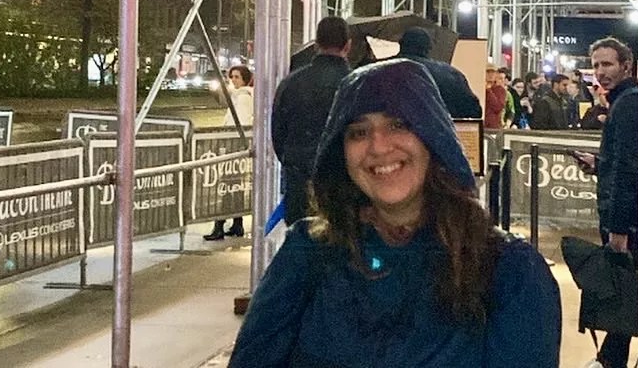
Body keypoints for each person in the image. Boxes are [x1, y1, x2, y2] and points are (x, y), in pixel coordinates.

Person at [229, 59, 562, 367]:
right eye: (358, 132)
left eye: (398, 124)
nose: (378, 146)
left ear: (434, 137)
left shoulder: (508, 271)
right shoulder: (307, 252)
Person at [573, 37, 638, 368]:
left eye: (607, 64)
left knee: (620, 292)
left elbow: (630, 168)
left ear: (627, 66)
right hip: (624, 217)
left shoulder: (628, 104)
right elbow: (623, 163)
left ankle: (609, 361)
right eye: (596, 65)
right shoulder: (623, 102)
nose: (600, 72)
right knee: (622, 294)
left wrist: (618, 228)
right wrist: (598, 164)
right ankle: (610, 359)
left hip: (624, 222)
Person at [272, 16, 351, 225]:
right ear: (348, 45)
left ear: (316, 45)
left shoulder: (290, 83)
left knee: (302, 242)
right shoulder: (356, 84)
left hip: (299, 179)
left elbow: (278, 134)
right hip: (344, 181)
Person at [204, 65, 254, 241]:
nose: (233, 80)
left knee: (225, 186)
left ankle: (219, 225)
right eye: (231, 77)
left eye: (237, 77)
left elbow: (239, 122)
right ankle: (237, 223)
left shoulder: (243, 98)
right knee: (236, 186)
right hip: (238, 145)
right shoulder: (240, 96)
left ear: (245, 80)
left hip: (234, 146)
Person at [396, 27, 481, 119]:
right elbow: (472, 111)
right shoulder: (450, 74)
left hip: (387, 130)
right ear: (429, 48)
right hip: (433, 131)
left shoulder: (381, 69)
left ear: (401, 44)